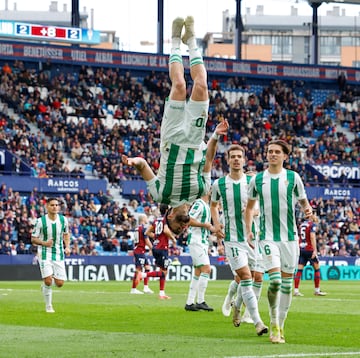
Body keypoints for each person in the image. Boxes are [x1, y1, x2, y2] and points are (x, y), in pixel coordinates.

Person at [121, 15, 229, 225]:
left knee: (179, 85)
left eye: (178, 226)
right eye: (183, 227)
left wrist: (133, 162)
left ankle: (175, 40)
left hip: (171, 137)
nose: (181, 227)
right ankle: (191, 40)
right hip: (194, 138)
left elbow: (143, 166)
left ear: (169, 216)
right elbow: (207, 161)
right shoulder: (201, 190)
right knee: (201, 86)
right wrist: (215, 135)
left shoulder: (160, 196)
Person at [245, 139, 313, 344]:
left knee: (287, 286)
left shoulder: (293, 178)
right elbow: (249, 208)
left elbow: (303, 200)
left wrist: (307, 209)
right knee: (274, 281)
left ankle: (280, 326)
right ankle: (273, 321)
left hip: (290, 239)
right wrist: (249, 230)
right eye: (269, 151)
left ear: (285, 156)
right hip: (267, 237)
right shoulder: (257, 179)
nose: (272, 154)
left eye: (277, 152)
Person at [210, 144, 268, 336]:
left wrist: (254, 212)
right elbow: (213, 205)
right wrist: (217, 225)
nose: (236, 159)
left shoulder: (253, 182)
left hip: (254, 237)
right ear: (228, 160)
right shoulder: (219, 184)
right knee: (245, 276)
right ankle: (258, 322)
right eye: (232, 156)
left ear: (244, 160)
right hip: (233, 238)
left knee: (255, 277)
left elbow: (262, 207)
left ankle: (237, 305)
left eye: (239, 156)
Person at [31, 197, 70, 313]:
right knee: (48, 280)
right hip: (44, 253)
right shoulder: (40, 221)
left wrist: (67, 246)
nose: (55, 207)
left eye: (57, 205)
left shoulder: (63, 220)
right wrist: (44, 243)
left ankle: (44, 287)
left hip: (58, 254)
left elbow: (66, 234)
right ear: (47, 206)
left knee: (59, 284)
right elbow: (33, 239)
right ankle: (49, 306)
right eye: (52, 205)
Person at [136, 204, 177, 299]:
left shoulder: (156, 220)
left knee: (163, 271)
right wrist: (173, 238)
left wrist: (156, 238)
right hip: (162, 248)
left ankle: (162, 293)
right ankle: (142, 275)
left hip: (156, 247)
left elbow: (147, 232)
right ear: (167, 210)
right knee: (164, 272)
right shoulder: (165, 220)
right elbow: (166, 231)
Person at [185, 192, 214, 312]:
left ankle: (190, 302)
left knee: (198, 271)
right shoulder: (199, 204)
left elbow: (207, 226)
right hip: (196, 241)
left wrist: (216, 229)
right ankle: (200, 301)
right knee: (207, 269)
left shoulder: (206, 205)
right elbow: (188, 220)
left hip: (201, 242)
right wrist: (204, 225)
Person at [294, 216, 327, 297]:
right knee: (317, 268)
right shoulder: (312, 225)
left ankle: (296, 290)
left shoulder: (301, 225)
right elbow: (312, 237)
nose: (316, 219)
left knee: (299, 270)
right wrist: (315, 250)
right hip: (309, 249)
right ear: (311, 218)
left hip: (301, 248)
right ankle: (317, 290)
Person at [130, 214, 154, 294]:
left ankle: (146, 287)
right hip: (139, 251)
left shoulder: (137, 228)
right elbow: (147, 241)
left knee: (147, 267)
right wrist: (153, 249)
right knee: (138, 270)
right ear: (143, 219)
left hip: (139, 250)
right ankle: (133, 289)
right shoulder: (143, 228)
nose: (147, 219)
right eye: (146, 217)